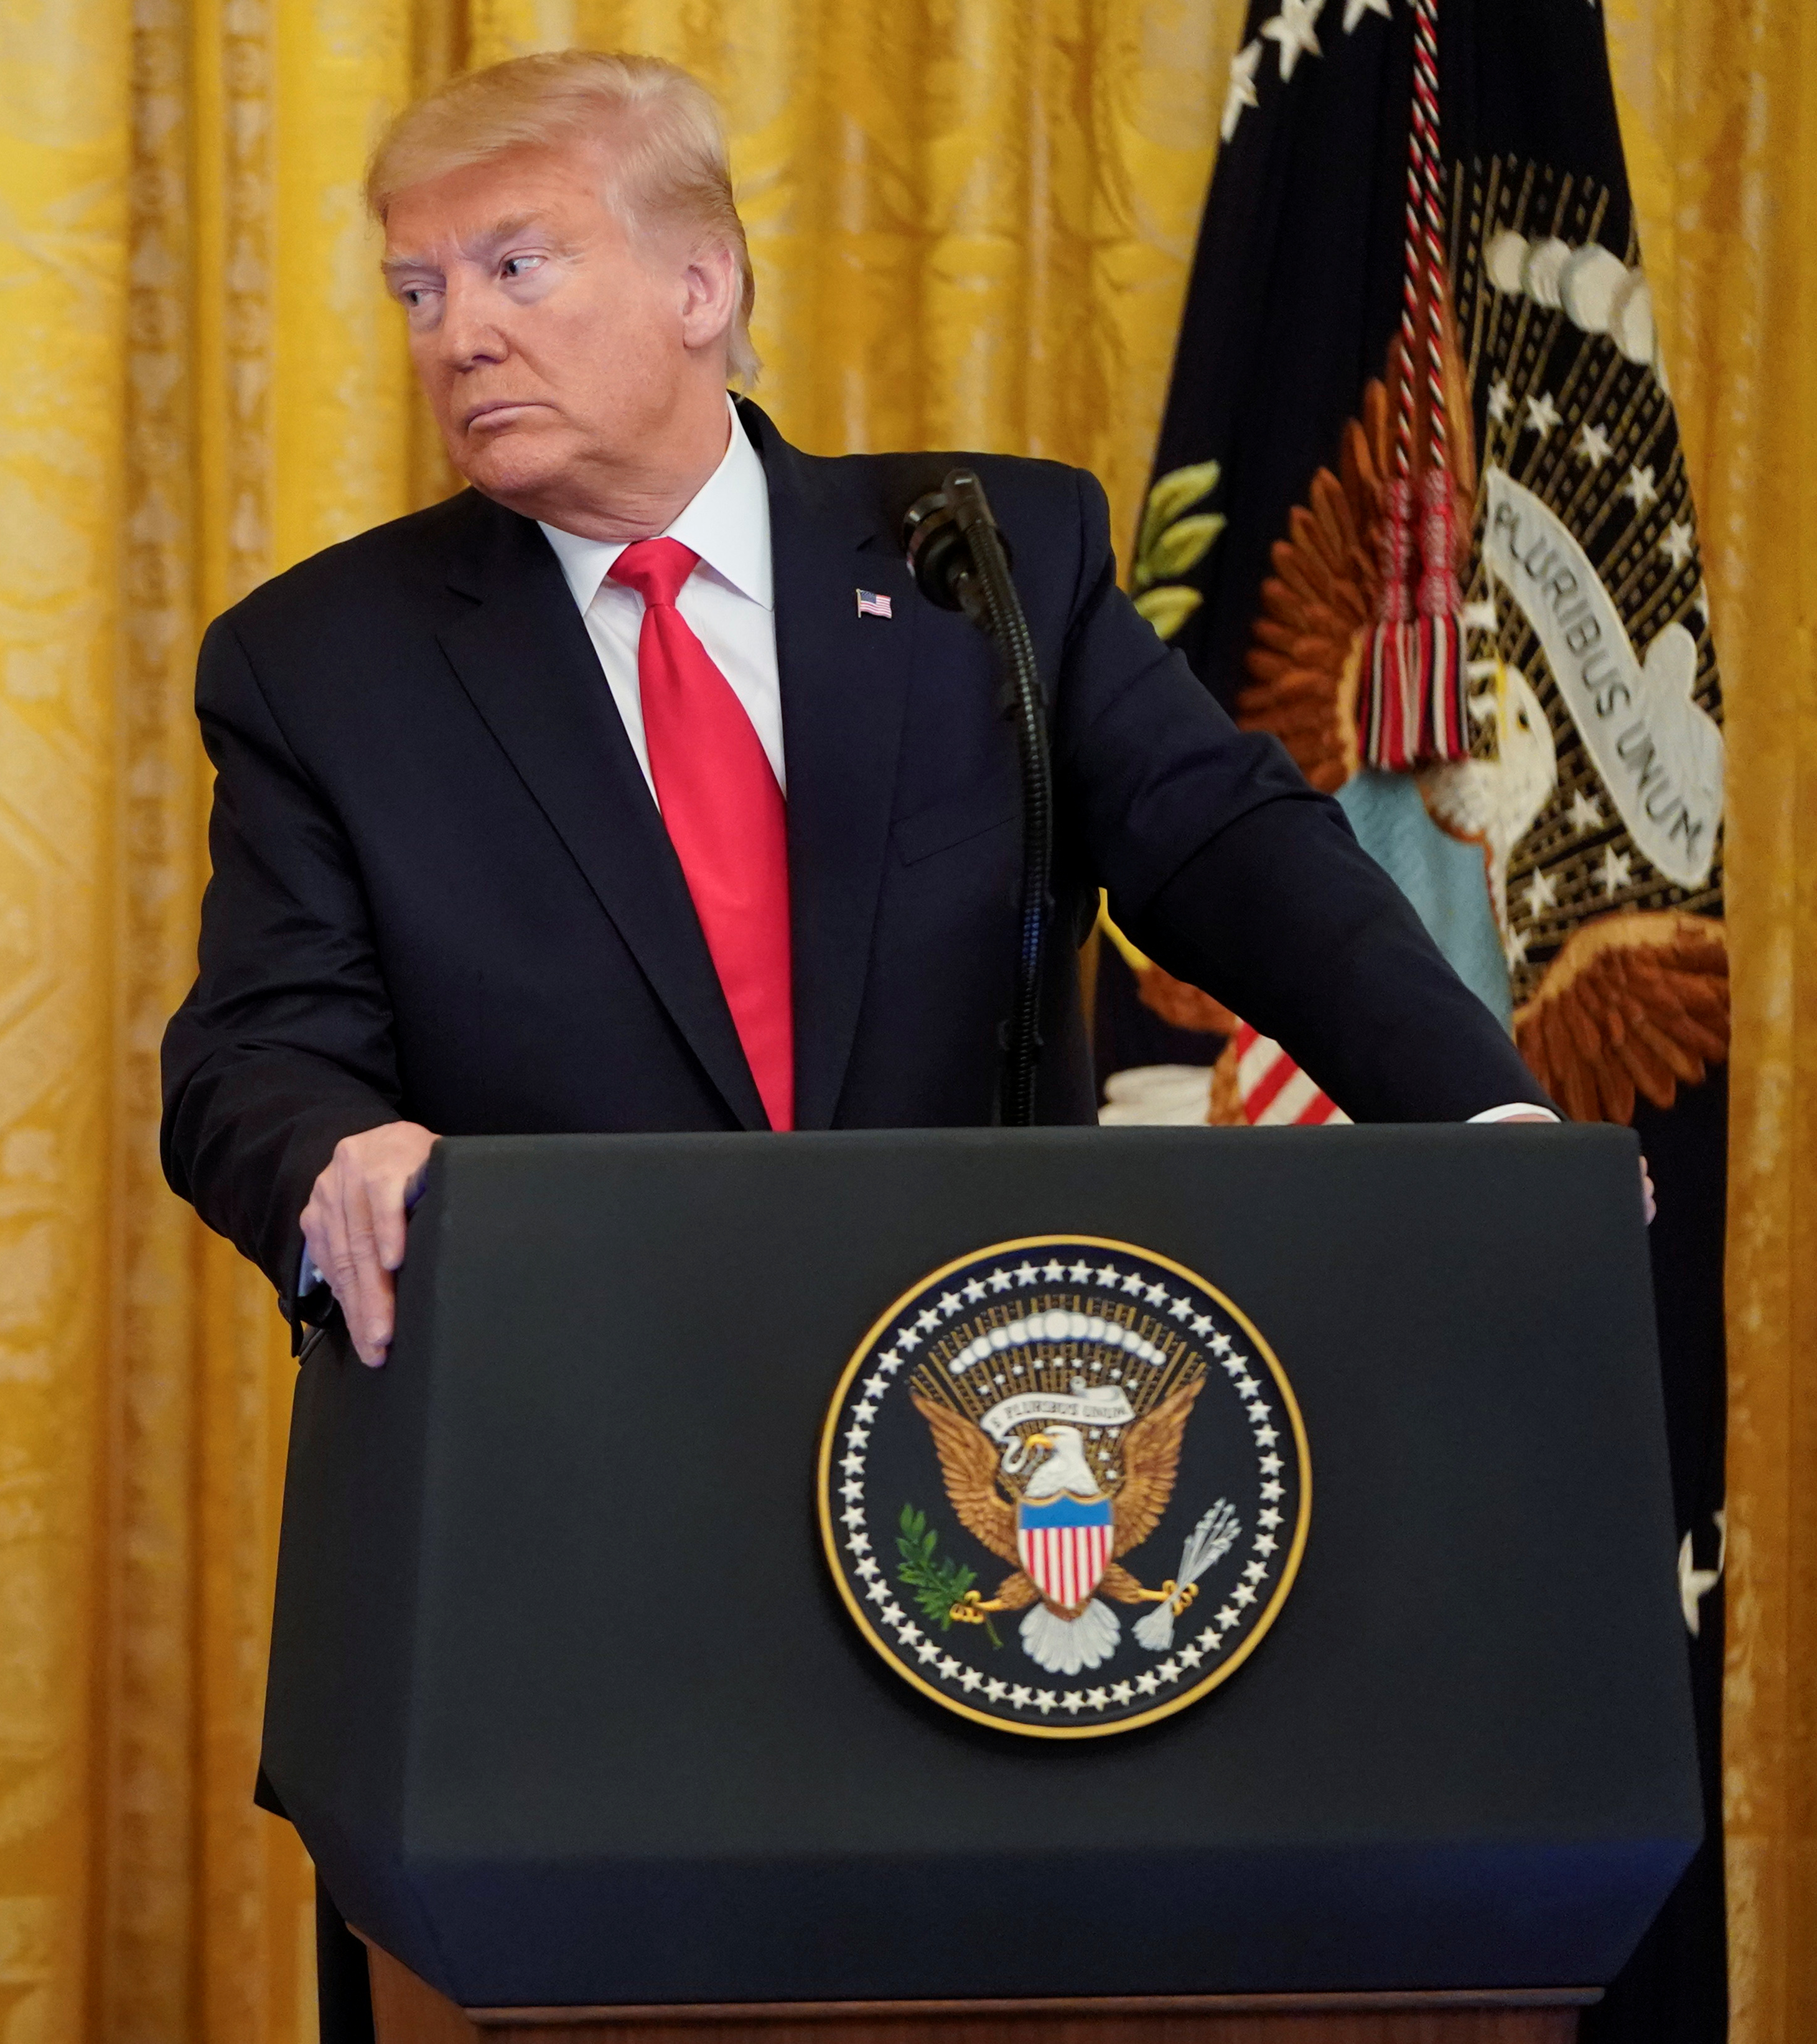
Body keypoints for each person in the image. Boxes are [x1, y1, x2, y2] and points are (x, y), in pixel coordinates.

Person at [152, 52, 1558, 2039]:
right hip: (563, 1562)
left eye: (516, 266)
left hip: (974, 1534)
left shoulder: (992, 564)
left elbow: (1233, 854)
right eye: (416, 290)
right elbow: (247, 1054)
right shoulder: (319, 663)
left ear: (701, 282)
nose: (454, 334)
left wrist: (1489, 1118)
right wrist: (330, 1156)